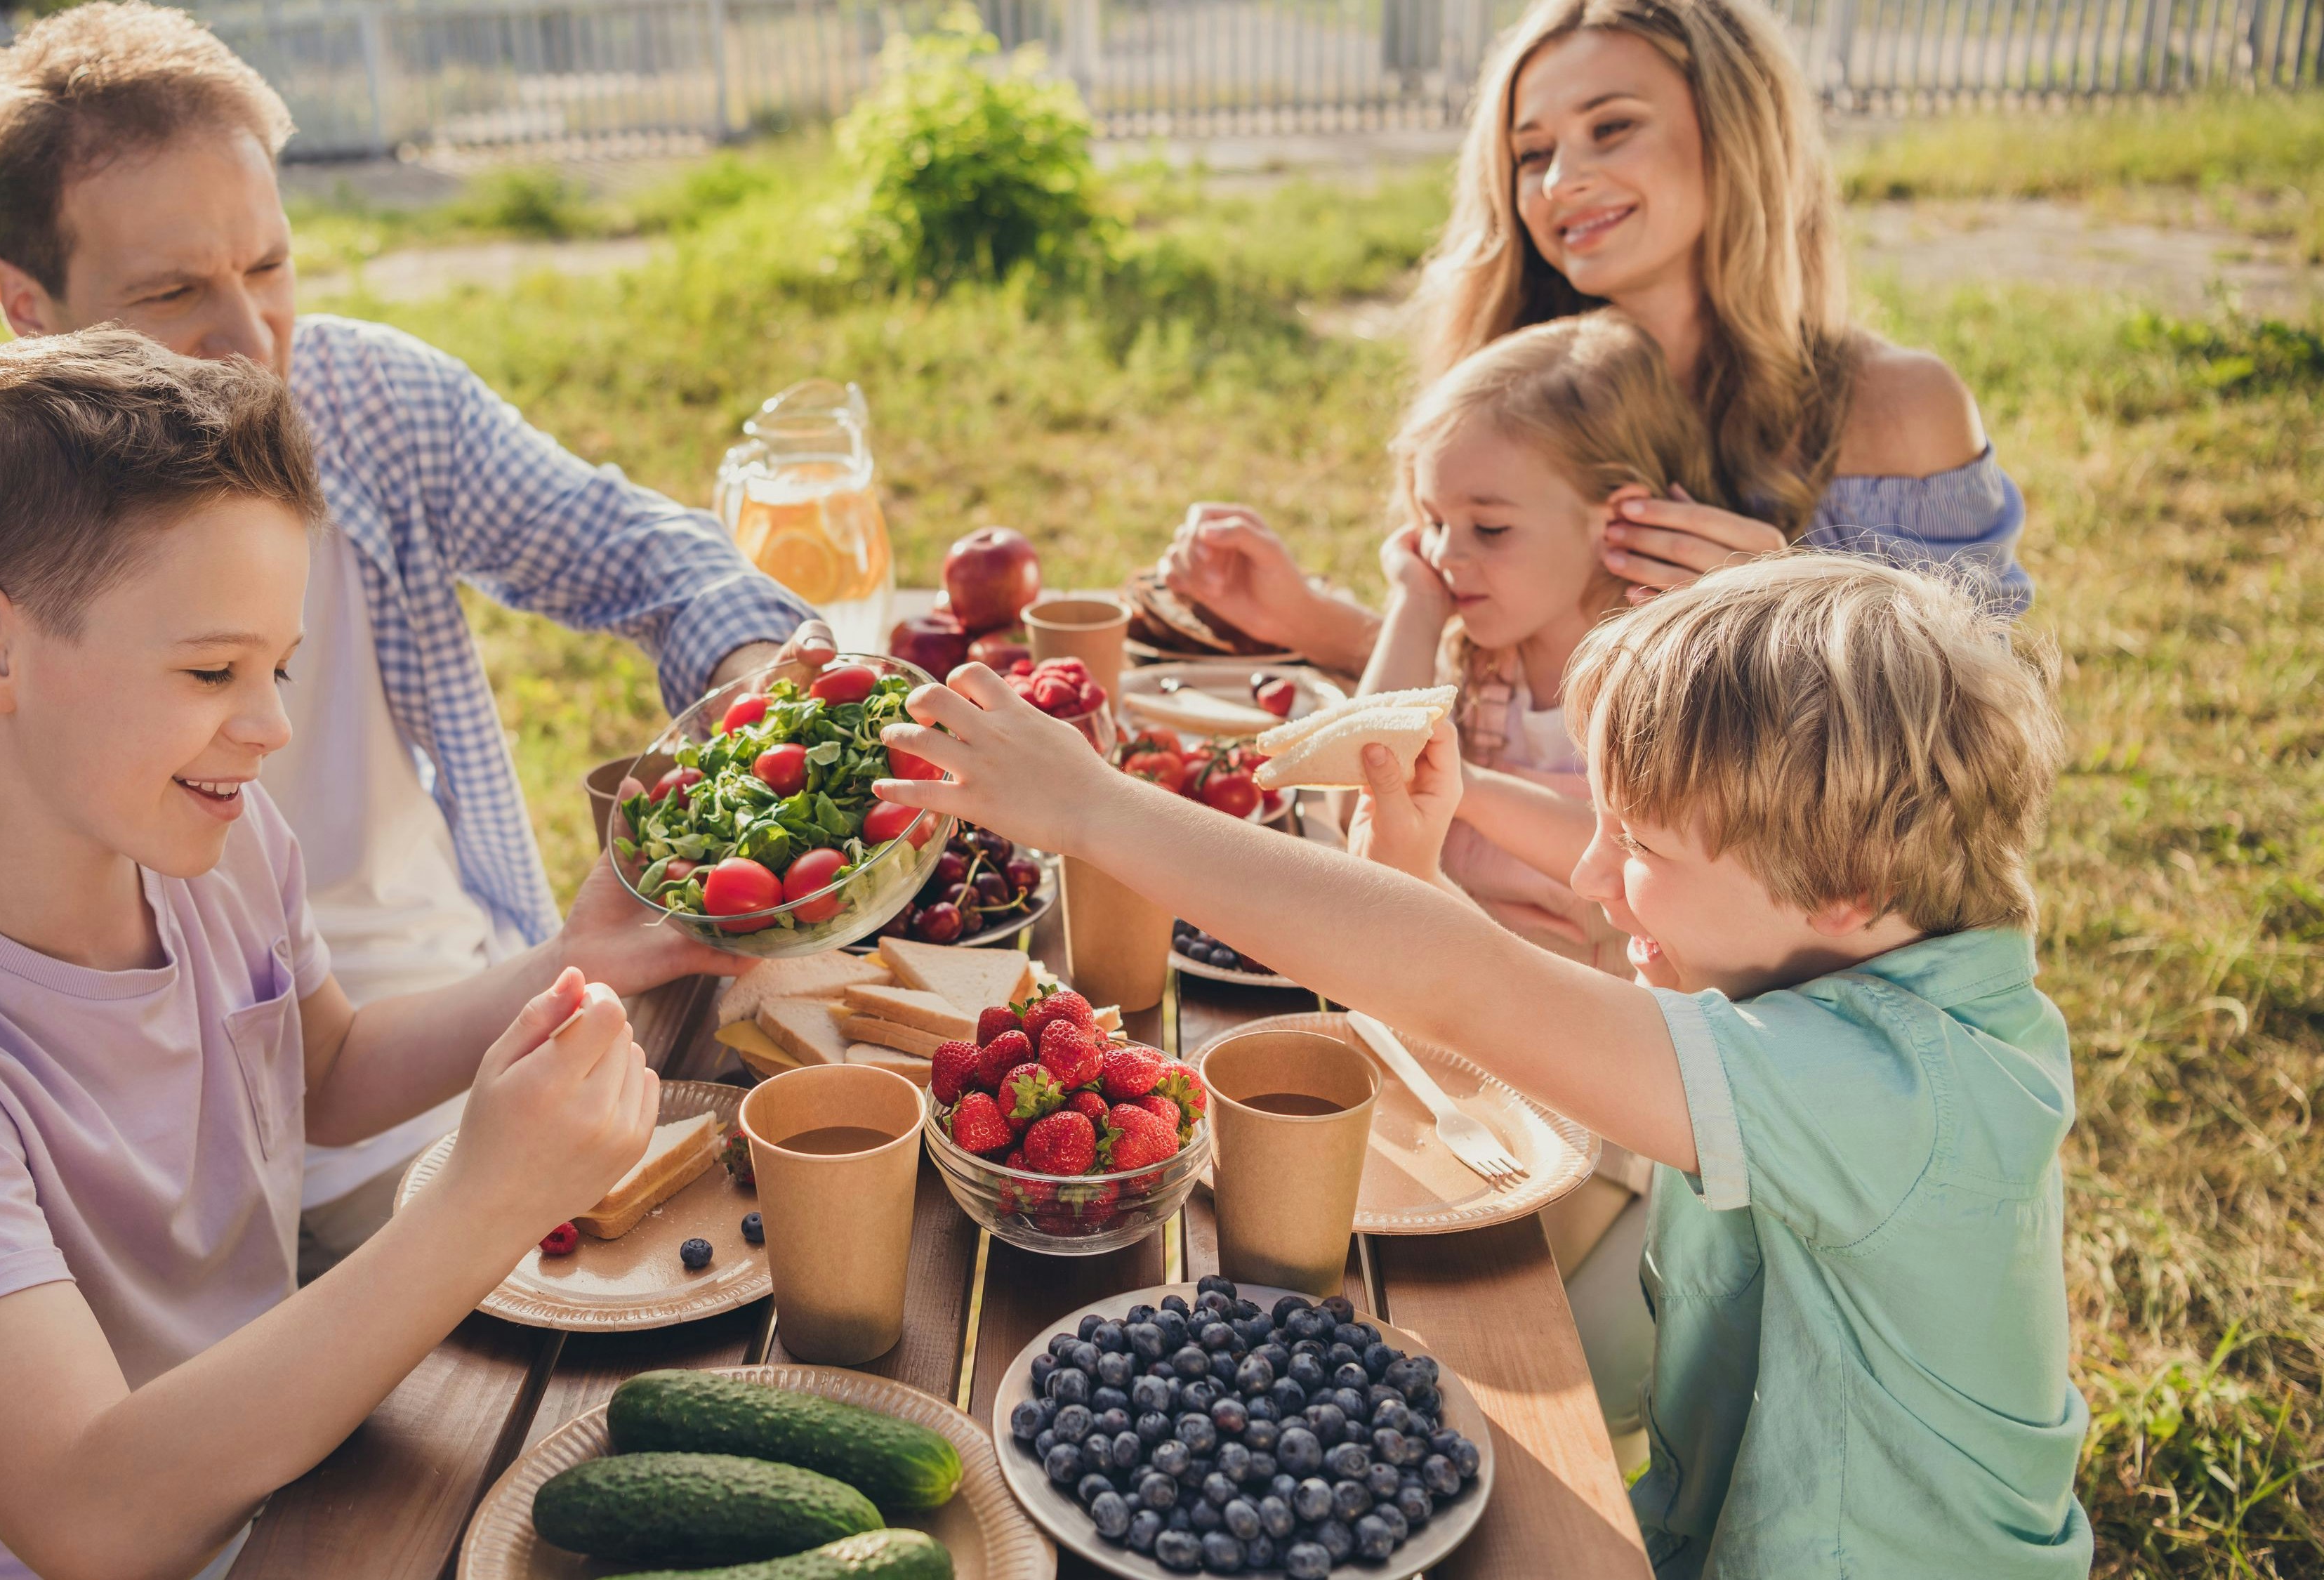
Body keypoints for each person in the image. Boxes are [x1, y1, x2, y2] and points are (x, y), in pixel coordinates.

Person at [0, 1, 823, 1272]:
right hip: (162, 1203)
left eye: (268, 267)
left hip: (450, 1038)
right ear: (25, 306)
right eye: (173, 291)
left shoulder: (374, 406)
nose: (255, 342)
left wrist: (762, 684)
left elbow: (636, 550)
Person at [873, 554, 2090, 1578]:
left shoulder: (1892, 1098)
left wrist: (1097, 812)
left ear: (1845, 887)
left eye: (1642, 845)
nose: (1590, 881)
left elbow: (1475, 988)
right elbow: (1520, 1015)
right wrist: (1423, 868)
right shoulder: (1875, 976)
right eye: (1599, 824)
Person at [0, 329, 721, 1580]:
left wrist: (571, 954)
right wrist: (485, 1199)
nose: (271, 725)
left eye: (277, 666)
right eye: (213, 668)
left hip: (289, 1469)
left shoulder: (211, 846)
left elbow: (323, 1070)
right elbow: (89, 1514)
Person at [1156, 0, 2032, 674]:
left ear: (1736, 134)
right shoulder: (1509, 391)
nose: (1562, 182)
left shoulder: (1897, 411)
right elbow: (1502, 704)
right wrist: (1305, 619)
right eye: (1532, 153)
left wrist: (1785, 611)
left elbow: (1980, 739)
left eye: (1611, 128)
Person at [1355, 310, 1709, 976]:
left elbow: (1631, 854)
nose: (1444, 553)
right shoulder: (1486, 654)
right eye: (1432, 520)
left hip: (1604, 1011)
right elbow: (1367, 774)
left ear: (1617, 520)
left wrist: (1460, 786)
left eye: (1488, 528)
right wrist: (1418, 605)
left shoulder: (1663, 670)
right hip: (1458, 983)